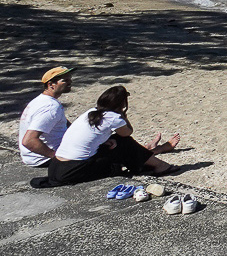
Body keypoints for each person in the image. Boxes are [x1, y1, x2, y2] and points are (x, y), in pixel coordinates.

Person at [45, 85, 181, 186]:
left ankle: (150, 157)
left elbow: (87, 137)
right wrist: (123, 116)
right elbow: (128, 132)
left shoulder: (90, 113)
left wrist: (106, 140)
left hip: (56, 168)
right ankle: (159, 165)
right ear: (121, 104)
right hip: (72, 171)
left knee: (116, 142)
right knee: (124, 142)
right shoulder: (114, 118)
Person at [18, 66, 74, 179]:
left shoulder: (42, 101)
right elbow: (29, 140)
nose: (70, 82)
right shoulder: (50, 107)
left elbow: (62, 122)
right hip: (42, 159)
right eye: (65, 80)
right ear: (51, 84)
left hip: (34, 157)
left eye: (70, 79)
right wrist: (56, 158)